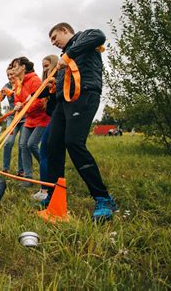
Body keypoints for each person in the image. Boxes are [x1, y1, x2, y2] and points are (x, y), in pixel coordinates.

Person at [46, 22, 117, 221]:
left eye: (54, 38)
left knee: (74, 143)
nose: (54, 43)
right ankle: (54, 195)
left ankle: (103, 198)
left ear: (65, 31)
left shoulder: (86, 36)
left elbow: (100, 36)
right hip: (63, 101)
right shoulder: (64, 56)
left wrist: (67, 56)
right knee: (53, 146)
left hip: (84, 95)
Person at [12, 57, 51, 187]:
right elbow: (17, 97)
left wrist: (24, 108)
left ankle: (47, 170)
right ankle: (28, 178)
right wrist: (17, 104)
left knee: (32, 144)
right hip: (29, 118)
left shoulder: (34, 80)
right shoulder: (18, 82)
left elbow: (40, 101)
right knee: (23, 144)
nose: (13, 69)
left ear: (23, 67)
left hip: (42, 118)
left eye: (15, 66)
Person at [31, 55, 59, 201]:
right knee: (48, 155)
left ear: (55, 64)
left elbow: (38, 94)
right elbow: (38, 94)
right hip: (55, 119)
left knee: (45, 153)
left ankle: (46, 190)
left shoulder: (58, 81)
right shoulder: (49, 84)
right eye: (43, 67)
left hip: (57, 120)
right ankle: (50, 189)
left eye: (47, 66)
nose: (45, 69)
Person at [1, 65, 25, 176]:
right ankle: (5, 168)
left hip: (25, 117)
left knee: (21, 144)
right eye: (8, 75)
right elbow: (0, 97)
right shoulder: (6, 86)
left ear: (17, 73)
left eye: (12, 74)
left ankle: (21, 171)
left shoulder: (23, 83)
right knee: (8, 142)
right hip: (12, 117)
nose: (10, 77)